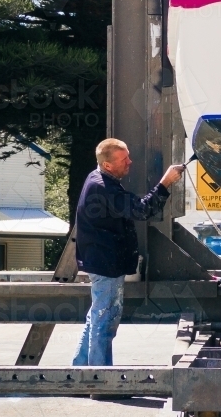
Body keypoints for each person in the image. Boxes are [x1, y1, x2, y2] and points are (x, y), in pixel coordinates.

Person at [72, 138, 184, 367]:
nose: (130, 162)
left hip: (100, 261)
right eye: (124, 159)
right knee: (105, 321)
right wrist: (165, 183)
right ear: (107, 165)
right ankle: (99, 379)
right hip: (106, 264)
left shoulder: (98, 179)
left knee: (97, 318)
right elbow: (142, 210)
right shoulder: (105, 187)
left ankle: (80, 371)